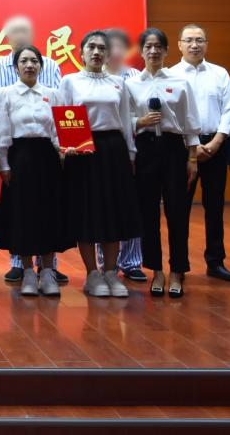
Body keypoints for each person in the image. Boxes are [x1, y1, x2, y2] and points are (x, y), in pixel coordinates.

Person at [59, 30, 140, 299]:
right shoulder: (70, 81)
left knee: (112, 211)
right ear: (81, 53)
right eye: (91, 47)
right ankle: (92, 274)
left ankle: (111, 272)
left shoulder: (118, 83)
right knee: (87, 211)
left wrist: (130, 154)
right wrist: (65, 148)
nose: (96, 52)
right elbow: (62, 117)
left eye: (101, 48)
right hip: (82, 151)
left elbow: (126, 120)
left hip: (113, 150)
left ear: (108, 54)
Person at [0, 15, 67, 285]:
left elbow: (57, 131)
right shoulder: (5, 94)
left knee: (48, 210)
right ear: (16, 67)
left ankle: (47, 270)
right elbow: (2, 133)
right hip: (19, 158)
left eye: (34, 61)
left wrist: (63, 155)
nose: (30, 65)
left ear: (41, 66)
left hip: (47, 158)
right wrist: (3, 165)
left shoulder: (53, 95)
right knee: (21, 213)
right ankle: (27, 271)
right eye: (24, 61)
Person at [126, 28, 201, 298]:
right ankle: (156, 270)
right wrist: (140, 121)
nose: (153, 51)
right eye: (148, 46)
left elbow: (190, 122)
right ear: (141, 51)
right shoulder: (131, 84)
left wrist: (192, 157)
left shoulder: (180, 82)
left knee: (177, 211)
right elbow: (125, 120)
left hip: (173, 149)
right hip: (145, 149)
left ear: (167, 50)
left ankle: (178, 270)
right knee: (148, 212)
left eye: (158, 46)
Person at [171, 24, 230, 282]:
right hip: (182, 148)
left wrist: (218, 140)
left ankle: (216, 262)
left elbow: (229, 109)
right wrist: (192, 144)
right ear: (179, 44)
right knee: (180, 208)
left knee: (215, 206)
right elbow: (170, 115)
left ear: (206, 44)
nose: (194, 45)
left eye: (200, 40)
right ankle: (179, 264)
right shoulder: (171, 75)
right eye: (189, 40)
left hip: (214, 146)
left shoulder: (220, 73)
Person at [97, 28, 145, 283]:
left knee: (128, 205)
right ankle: (104, 264)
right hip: (99, 148)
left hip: (132, 147)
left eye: (119, 47)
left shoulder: (135, 77)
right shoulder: (91, 77)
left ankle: (132, 262)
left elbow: (135, 114)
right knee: (102, 205)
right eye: (108, 46)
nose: (114, 51)